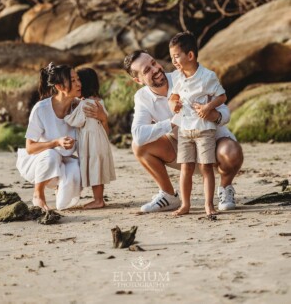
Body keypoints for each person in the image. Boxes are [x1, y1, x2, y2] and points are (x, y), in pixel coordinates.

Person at [123, 50, 243, 213]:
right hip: (183, 149)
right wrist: (173, 122)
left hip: (213, 146)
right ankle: (169, 195)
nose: (156, 69)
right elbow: (138, 134)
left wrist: (213, 114)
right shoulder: (142, 97)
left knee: (232, 152)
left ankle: (225, 187)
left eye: (153, 63)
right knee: (139, 146)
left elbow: (225, 112)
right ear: (138, 80)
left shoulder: (186, 76)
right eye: (147, 70)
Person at [168, 32, 226, 217]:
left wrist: (208, 107)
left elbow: (222, 96)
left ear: (190, 55)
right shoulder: (178, 77)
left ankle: (209, 205)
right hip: (185, 129)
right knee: (186, 167)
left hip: (204, 129)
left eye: (177, 56)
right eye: (172, 57)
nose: (174, 61)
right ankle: (185, 204)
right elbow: (173, 96)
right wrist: (173, 104)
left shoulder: (207, 76)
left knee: (206, 167)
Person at [16, 63, 82, 211]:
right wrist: (56, 142)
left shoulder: (79, 107)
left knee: (80, 167)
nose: (78, 83)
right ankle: (38, 194)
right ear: (59, 86)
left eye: (78, 79)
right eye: (73, 80)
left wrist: (102, 118)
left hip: (65, 161)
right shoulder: (41, 109)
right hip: (39, 161)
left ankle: (60, 188)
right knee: (52, 155)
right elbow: (30, 148)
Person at [65, 68, 116, 209]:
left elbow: (74, 121)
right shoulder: (99, 101)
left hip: (91, 143)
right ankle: (98, 199)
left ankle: (98, 200)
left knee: (94, 169)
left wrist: (65, 115)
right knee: (97, 169)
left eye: (79, 80)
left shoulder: (84, 104)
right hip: (101, 141)